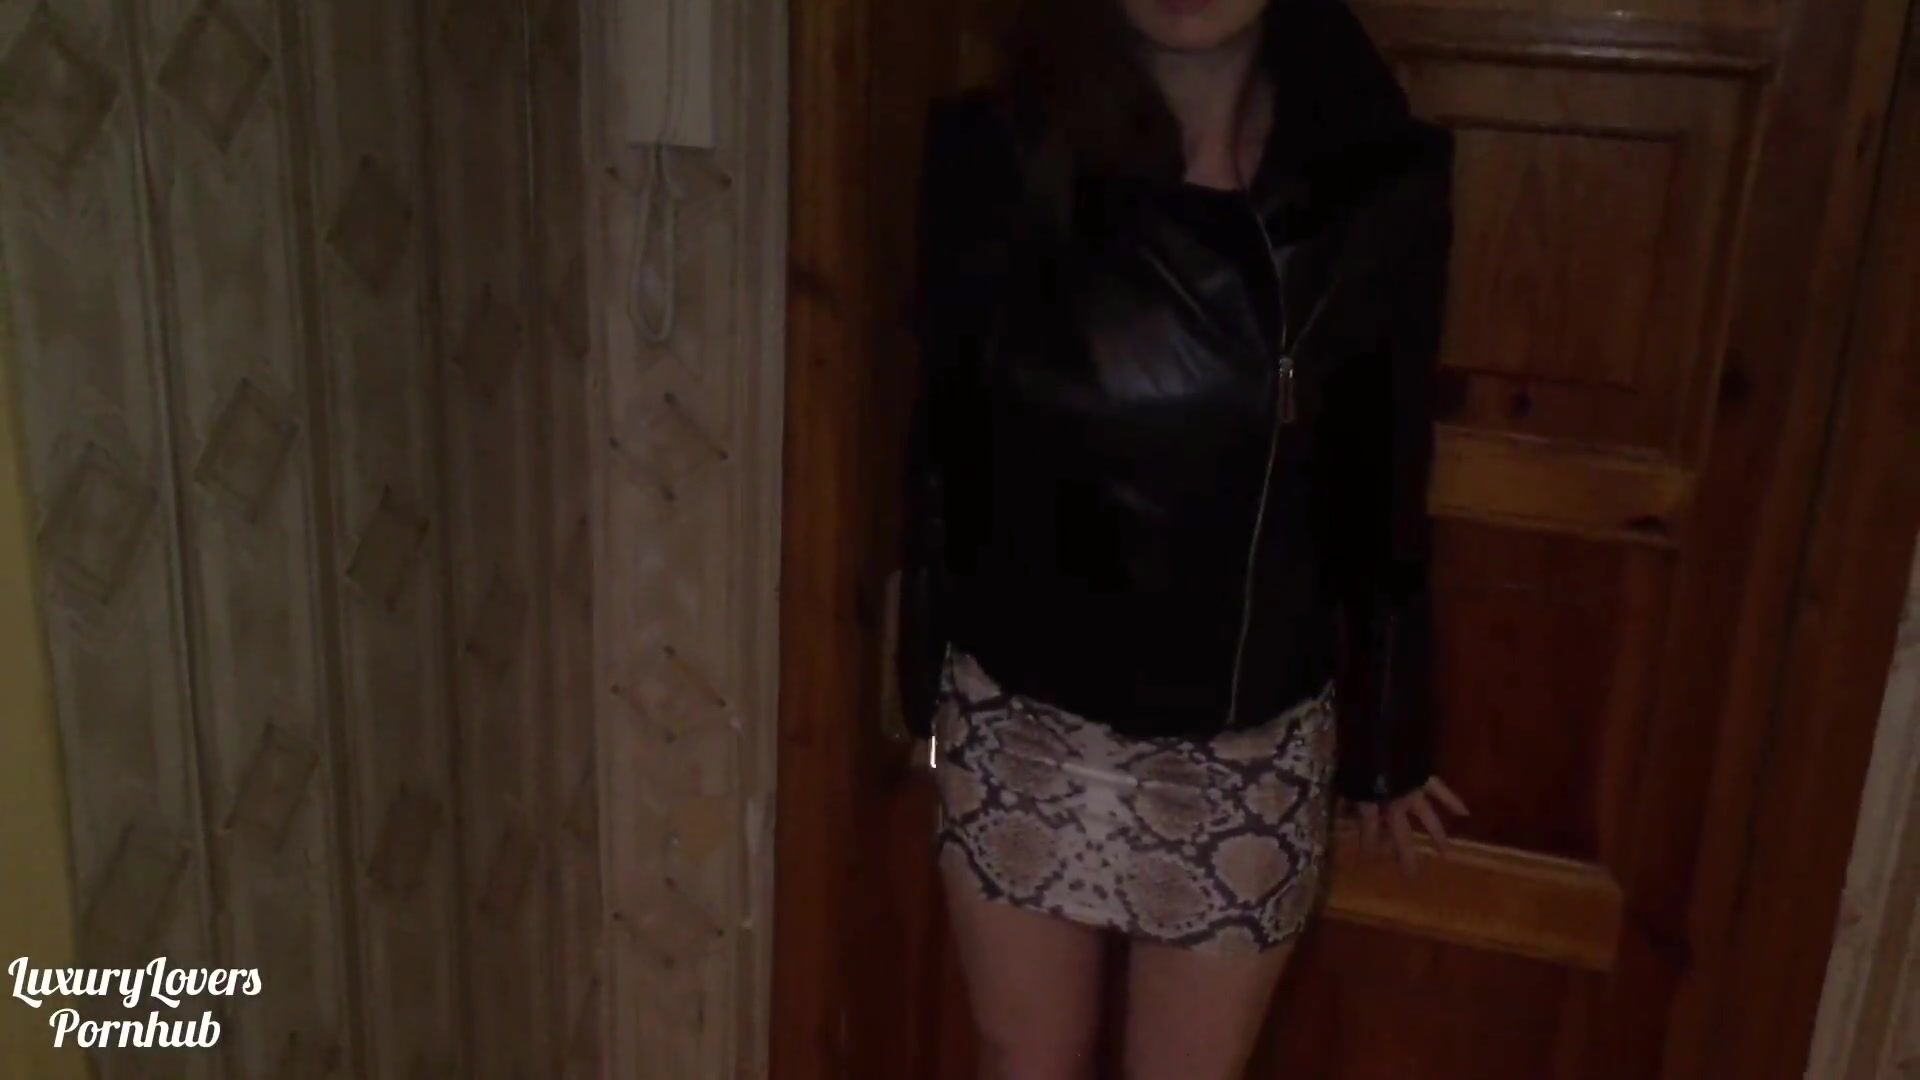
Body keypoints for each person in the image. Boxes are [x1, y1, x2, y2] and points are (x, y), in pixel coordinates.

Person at [893, 0, 1471, 1075]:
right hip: (1019, 718)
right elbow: (941, 448)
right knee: (1023, 1062)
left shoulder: (1379, 181)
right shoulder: (988, 152)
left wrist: (1392, 736)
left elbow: (1385, 472)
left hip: (1245, 743)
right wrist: (921, 698)